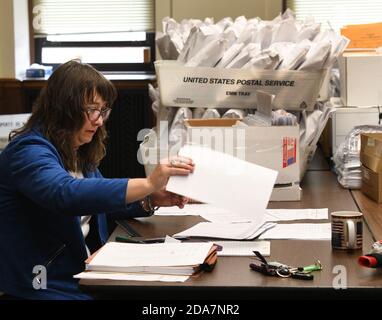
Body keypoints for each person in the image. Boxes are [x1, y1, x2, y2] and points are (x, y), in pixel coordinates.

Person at [0, 60, 194, 300]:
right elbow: (66, 194)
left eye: (103, 111)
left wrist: (149, 199)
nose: (100, 120)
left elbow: (98, 201)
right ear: (64, 108)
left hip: (80, 272)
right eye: (92, 109)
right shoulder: (28, 151)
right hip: (43, 282)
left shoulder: (74, 148)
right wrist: (147, 183)